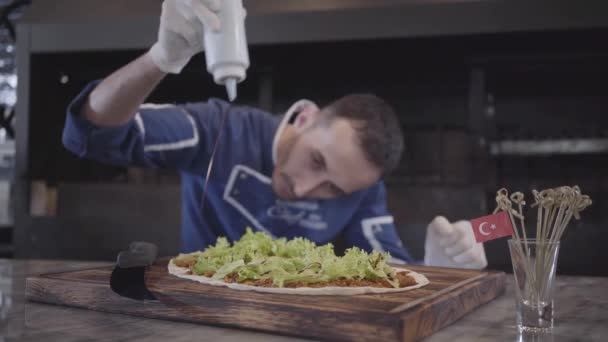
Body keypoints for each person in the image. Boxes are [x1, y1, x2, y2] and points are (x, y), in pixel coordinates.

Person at [62, 0, 487, 269]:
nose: (303, 188)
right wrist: (160, 59)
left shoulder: (361, 189)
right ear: (305, 119)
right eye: (317, 161)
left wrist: (435, 270)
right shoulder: (219, 129)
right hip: (197, 318)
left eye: (332, 190)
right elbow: (91, 132)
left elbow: (386, 267)